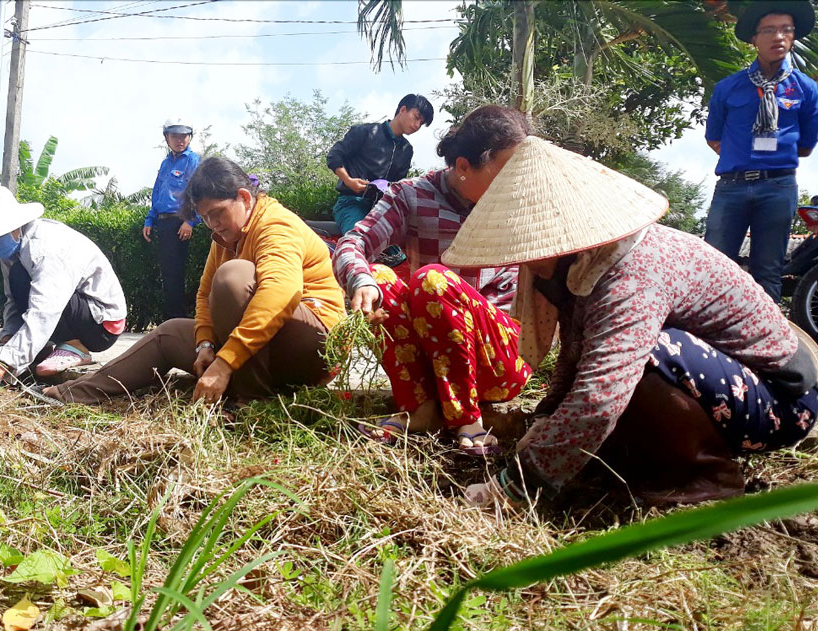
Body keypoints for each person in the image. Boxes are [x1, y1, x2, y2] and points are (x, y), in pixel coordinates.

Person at [440, 135, 818, 506]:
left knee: (645, 353)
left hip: (780, 403)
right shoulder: (585, 269)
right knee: (612, 363)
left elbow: (600, 394)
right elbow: (575, 355)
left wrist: (517, 484)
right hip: (726, 386)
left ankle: (708, 473)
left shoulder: (634, 273)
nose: (525, 263)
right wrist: (545, 417)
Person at [45, 157, 346, 404]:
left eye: (217, 213)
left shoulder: (275, 224)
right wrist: (204, 343)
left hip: (315, 347)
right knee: (169, 333)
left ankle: (252, 403)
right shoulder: (225, 236)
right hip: (266, 351)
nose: (213, 224)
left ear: (243, 197)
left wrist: (225, 362)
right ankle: (71, 395)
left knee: (233, 276)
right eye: (206, 217)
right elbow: (204, 295)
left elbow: (280, 293)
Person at [334, 105, 530, 455]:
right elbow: (354, 243)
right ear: (464, 167)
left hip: (501, 359)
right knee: (381, 276)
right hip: (438, 353)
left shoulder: (520, 206)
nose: (515, 181)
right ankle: (421, 408)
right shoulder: (411, 195)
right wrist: (360, 280)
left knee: (432, 280)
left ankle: (465, 417)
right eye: (504, 171)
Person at [704, 0, 818, 301]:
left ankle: (765, 346)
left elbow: (806, 146)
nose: (777, 37)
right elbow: (714, 138)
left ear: (793, 37)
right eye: (768, 30)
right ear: (754, 38)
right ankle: (703, 341)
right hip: (732, 187)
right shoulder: (729, 87)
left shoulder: (806, 89)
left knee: (768, 270)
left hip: (778, 188)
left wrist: (769, 160)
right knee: (714, 265)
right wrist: (743, 159)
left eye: (786, 30)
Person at [0, 186, 127, 381]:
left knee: (27, 284)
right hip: (65, 311)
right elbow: (13, 298)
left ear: (14, 227)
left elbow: (45, 310)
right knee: (19, 278)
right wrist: (8, 338)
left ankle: (76, 346)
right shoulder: (13, 249)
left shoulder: (46, 247)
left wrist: (3, 363)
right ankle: (43, 347)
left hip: (99, 325)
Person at [327, 93, 434, 265]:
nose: (417, 125)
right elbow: (334, 156)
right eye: (416, 117)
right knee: (359, 245)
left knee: (400, 255)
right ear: (403, 109)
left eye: (421, 124)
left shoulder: (406, 150)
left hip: (381, 210)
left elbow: (398, 185)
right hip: (351, 202)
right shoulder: (365, 132)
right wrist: (348, 180)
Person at [143, 118, 202, 320]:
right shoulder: (166, 163)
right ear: (167, 138)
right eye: (175, 136)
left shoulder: (193, 160)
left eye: (184, 136)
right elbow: (158, 193)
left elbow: (197, 192)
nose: (180, 140)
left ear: (189, 138)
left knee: (176, 273)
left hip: (180, 221)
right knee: (167, 272)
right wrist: (150, 220)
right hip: (164, 222)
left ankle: (177, 319)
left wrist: (190, 221)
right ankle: (170, 318)